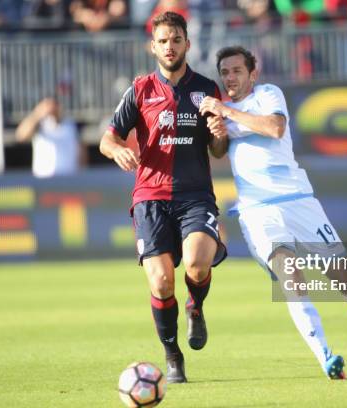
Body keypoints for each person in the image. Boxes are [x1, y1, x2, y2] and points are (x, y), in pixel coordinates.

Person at [199, 46, 347, 380]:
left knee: (340, 272)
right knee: (291, 275)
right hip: (257, 209)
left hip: (297, 198)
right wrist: (218, 132)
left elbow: (275, 128)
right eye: (225, 72)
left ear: (252, 73)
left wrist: (228, 112)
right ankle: (325, 356)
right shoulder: (219, 111)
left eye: (237, 70)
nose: (230, 77)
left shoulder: (268, 94)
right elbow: (218, 150)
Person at [99, 11, 228, 384]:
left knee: (198, 267)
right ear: (152, 46)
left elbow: (218, 151)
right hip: (151, 197)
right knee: (160, 283)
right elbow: (109, 138)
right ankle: (172, 355)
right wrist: (117, 151)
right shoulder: (140, 90)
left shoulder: (207, 90)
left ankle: (196, 307)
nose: (170, 47)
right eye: (163, 41)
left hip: (195, 196)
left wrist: (219, 134)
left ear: (187, 43)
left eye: (176, 40)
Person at [16, 97, 86, 178]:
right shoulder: (40, 125)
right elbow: (20, 136)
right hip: (44, 178)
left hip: (68, 178)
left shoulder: (71, 125)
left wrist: (81, 172)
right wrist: (37, 115)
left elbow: (82, 149)